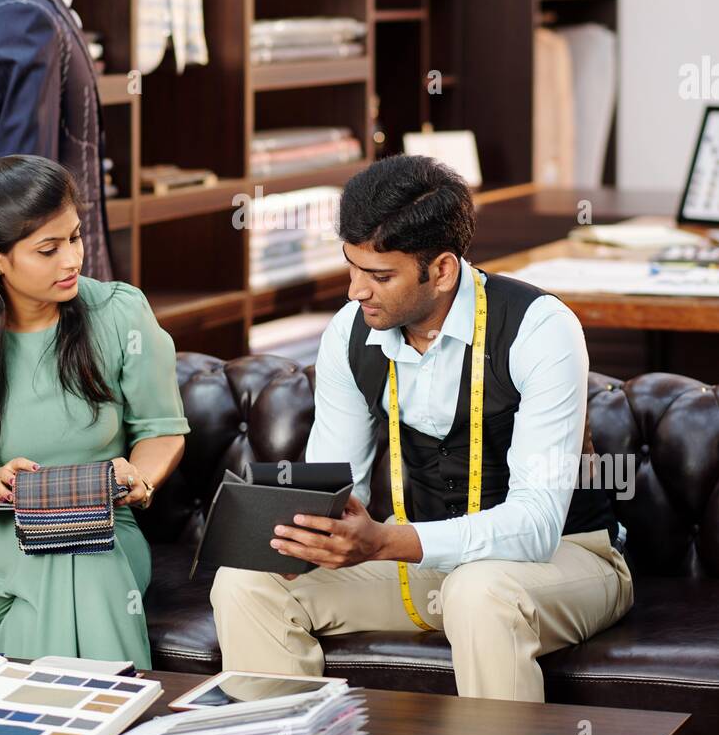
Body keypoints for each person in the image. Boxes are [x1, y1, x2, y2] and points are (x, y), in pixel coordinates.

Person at [211, 154, 634, 702]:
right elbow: (336, 483)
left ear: (442, 271)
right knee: (245, 582)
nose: (354, 292)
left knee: (480, 591)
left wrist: (388, 540)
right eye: (351, 267)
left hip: (563, 556)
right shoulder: (348, 333)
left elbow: (535, 526)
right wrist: (309, 538)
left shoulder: (540, 328)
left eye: (379, 276)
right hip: (422, 563)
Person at [0, 154, 189, 670]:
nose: (72, 260)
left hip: (105, 530)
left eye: (74, 238)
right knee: (72, 563)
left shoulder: (120, 313)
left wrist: (139, 474)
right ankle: (117, 727)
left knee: (77, 555)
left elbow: (163, 430)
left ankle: (16, 727)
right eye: (48, 249)